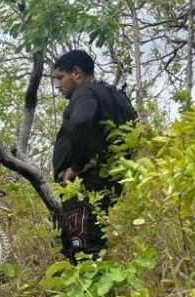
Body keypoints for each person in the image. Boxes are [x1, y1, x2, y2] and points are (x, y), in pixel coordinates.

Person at [52, 49, 137, 262]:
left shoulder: (86, 92)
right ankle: (98, 289)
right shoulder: (115, 95)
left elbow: (81, 121)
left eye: (61, 77)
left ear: (77, 73)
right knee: (94, 238)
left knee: (81, 244)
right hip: (108, 180)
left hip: (86, 184)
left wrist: (76, 167)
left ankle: (90, 292)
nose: (57, 84)